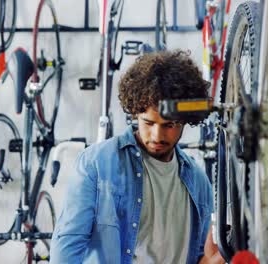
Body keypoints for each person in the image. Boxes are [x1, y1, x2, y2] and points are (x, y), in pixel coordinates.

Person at [50, 50, 225, 264]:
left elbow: (200, 257)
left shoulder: (198, 182)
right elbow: (66, 251)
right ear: (135, 114)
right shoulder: (96, 164)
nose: (157, 135)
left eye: (169, 125)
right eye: (148, 123)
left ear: (185, 119)